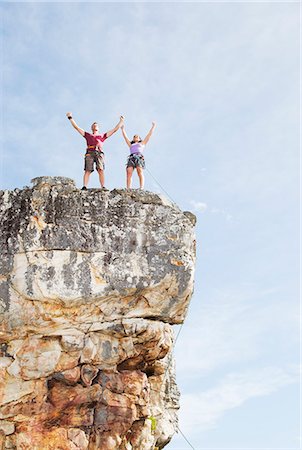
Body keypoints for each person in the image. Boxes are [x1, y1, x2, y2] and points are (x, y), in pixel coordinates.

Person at [66, 112, 124, 190]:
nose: (95, 125)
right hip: (89, 152)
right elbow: (76, 127)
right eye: (93, 125)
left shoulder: (102, 136)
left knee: (100, 169)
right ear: (91, 128)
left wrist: (121, 121)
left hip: (99, 152)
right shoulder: (87, 135)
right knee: (88, 170)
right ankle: (85, 186)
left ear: (98, 128)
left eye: (96, 125)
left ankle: (103, 186)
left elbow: (114, 130)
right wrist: (70, 117)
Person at [121, 122, 156, 189]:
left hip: (139, 157)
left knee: (139, 171)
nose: (135, 137)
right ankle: (128, 188)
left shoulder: (142, 143)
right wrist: (123, 129)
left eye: (137, 136)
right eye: (134, 137)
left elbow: (149, 135)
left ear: (139, 139)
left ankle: (141, 187)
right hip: (132, 158)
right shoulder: (131, 145)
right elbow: (125, 137)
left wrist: (153, 126)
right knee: (129, 172)